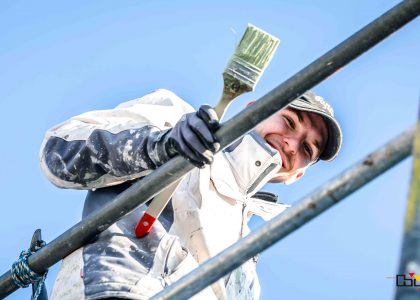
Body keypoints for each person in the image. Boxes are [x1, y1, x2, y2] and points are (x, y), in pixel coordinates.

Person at [40, 88, 342, 300]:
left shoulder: (247, 257)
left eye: (306, 149)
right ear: (254, 111)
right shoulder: (174, 119)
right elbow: (60, 154)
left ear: (298, 175)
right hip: (122, 289)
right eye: (289, 122)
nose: (291, 144)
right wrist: (161, 146)